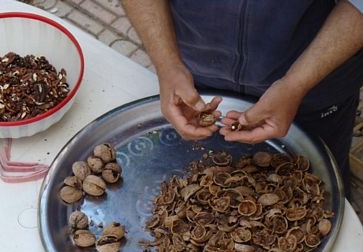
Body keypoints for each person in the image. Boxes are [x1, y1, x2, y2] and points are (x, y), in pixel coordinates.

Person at [121, 0, 363, 197]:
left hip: (318, 80)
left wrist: (296, 84)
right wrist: (167, 63)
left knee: (321, 185)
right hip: (194, 71)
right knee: (190, 170)